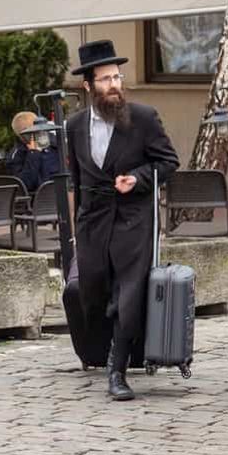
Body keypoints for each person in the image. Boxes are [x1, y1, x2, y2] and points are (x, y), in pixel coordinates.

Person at [67, 39, 180, 401]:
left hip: (133, 220)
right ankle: (108, 354)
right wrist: (76, 227)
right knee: (94, 292)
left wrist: (139, 179)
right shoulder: (73, 126)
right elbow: (77, 181)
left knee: (128, 295)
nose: (114, 84)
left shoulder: (143, 117)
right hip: (93, 223)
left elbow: (168, 163)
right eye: (104, 79)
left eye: (117, 77)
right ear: (88, 86)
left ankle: (117, 371)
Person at [5, 110, 60, 192]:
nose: (43, 132)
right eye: (37, 130)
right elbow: (25, 186)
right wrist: (34, 154)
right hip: (37, 200)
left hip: (60, 196)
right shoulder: (16, 156)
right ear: (26, 135)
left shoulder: (54, 144)